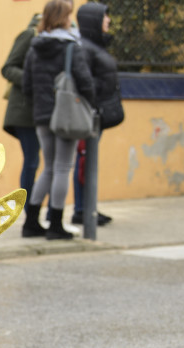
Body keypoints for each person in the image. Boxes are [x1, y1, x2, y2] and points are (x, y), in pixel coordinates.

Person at [22, 0, 95, 240]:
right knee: (63, 167)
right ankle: (55, 224)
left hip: (42, 115)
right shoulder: (70, 47)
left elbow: (26, 85)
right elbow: (85, 81)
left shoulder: (35, 47)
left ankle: (31, 221)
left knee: (49, 168)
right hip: (65, 115)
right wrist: (91, 101)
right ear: (64, 18)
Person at [71, 1, 123, 227]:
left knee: (87, 161)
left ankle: (87, 208)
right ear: (94, 21)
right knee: (85, 160)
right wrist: (97, 99)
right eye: (105, 17)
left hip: (96, 113)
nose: (109, 21)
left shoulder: (95, 46)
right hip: (89, 114)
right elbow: (84, 80)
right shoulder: (84, 47)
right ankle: (82, 210)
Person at [2, 12, 44, 237]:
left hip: (40, 110)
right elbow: (8, 68)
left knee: (36, 161)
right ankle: (29, 214)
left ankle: (33, 214)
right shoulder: (30, 34)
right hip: (23, 111)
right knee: (32, 161)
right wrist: (31, 80)